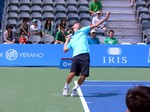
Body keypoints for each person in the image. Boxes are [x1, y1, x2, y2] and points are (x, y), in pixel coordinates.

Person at [62, 11, 111, 97]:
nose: (78, 24)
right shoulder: (72, 39)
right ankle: (66, 87)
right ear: (73, 26)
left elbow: (96, 24)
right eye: (76, 23)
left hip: (85, 55)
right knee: (72, 73)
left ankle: (75, 88)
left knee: (84, 76)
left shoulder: (83, 30)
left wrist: (106, 18)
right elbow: (65, 50)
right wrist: (67, 39)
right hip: (76, 56)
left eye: (78, 23)